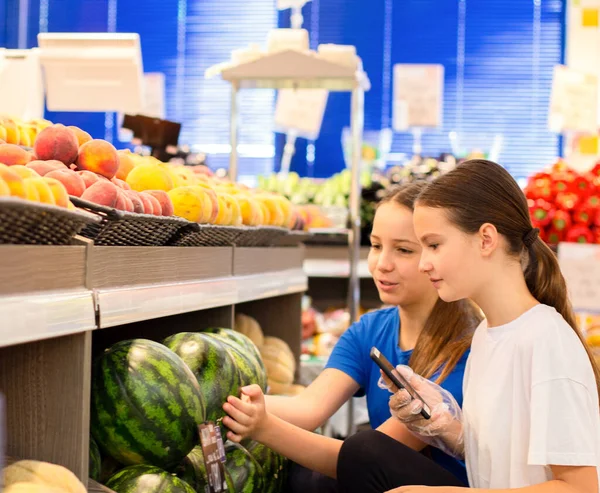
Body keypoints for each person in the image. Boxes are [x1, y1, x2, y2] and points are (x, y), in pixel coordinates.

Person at [336, 159, 600, 493]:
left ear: (486, 239)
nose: (423, 262)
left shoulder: (547, 341)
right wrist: (445, 427)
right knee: (364, 452)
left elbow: (579, 488)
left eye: (433, 245)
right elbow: (499, 464)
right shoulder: (487, 335)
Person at [221, 182, 483, 491]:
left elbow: (368, 457)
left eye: (403, 250)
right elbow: (307, 408)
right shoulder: (370, 330)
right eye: (375, 245)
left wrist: (264, 427)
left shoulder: (464, 347)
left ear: (436, 254)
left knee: (348, 455)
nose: (382, 264)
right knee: (304, 477)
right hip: (378, 480)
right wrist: (231, 401)